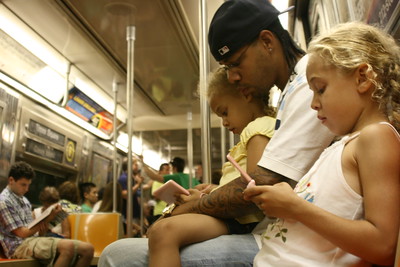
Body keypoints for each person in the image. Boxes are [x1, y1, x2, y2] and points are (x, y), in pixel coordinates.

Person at [98, 1, 334, 266]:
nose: (233, 78)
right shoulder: (290, 91)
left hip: (291, 243)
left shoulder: (306, 85)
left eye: (235, 63)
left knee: (117, 255)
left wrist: (191, 205)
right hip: (277, 235)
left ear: (267, 41)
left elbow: (260, 184)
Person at [243, 22, 400, 266]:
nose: (313, 104)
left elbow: (382, 245)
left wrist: (295, 208)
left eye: (320, 89)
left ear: (362, 78)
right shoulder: (345, 144)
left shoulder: (376, 138)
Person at [148, 66, 276, 267]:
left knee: (162, 232)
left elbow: (254, 185)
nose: (224, 122)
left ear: (246, 95)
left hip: (241, 220)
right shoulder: (258, 130)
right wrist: (212, 189)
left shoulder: (257, 129)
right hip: (237, 218)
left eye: (225, 112)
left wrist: (205, 198)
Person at [0, 161, 94, 266]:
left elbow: (32, 231)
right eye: (23, 185)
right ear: (11, 180)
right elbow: (22, 233)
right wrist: (46, 219)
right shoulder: (4, 201)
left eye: (28, 185)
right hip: (17, 247)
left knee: (88, 249)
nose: (27, 189)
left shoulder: (25, 201)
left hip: (32, 241)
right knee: (68, 248)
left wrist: (46, 225)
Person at [118, 158, 143, 224]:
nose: (137, 167)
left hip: (134, 212)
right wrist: (138, 184)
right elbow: (126, 195)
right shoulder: (123, 178)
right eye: (135, 165)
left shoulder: (131, 179)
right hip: (127, 214)